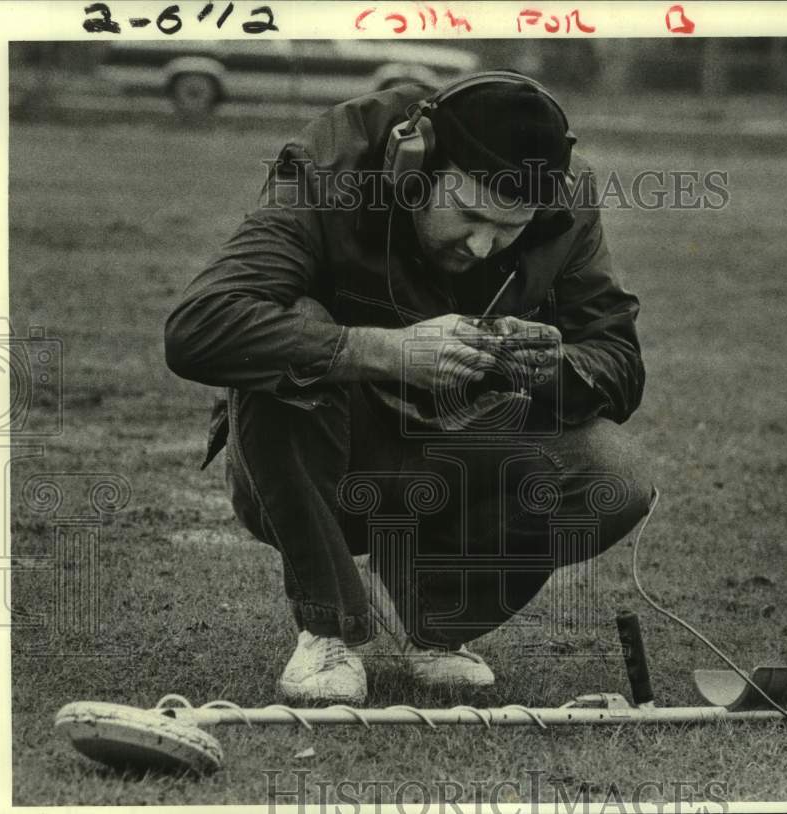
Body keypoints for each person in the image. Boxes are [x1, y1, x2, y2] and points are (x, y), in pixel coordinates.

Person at [164, 71, 652, 705]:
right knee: (299, 337)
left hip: (457, 449)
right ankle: (328, 631)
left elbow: (618, 359)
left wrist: (544, 366)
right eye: (471, 215)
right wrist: (380, 351)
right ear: (414, 169)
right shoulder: (330, 168)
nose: (484, 246)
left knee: (618, 475)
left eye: (510, 229)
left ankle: (433, 624)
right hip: (319, 457)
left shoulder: (565, 201)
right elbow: (198, 327)